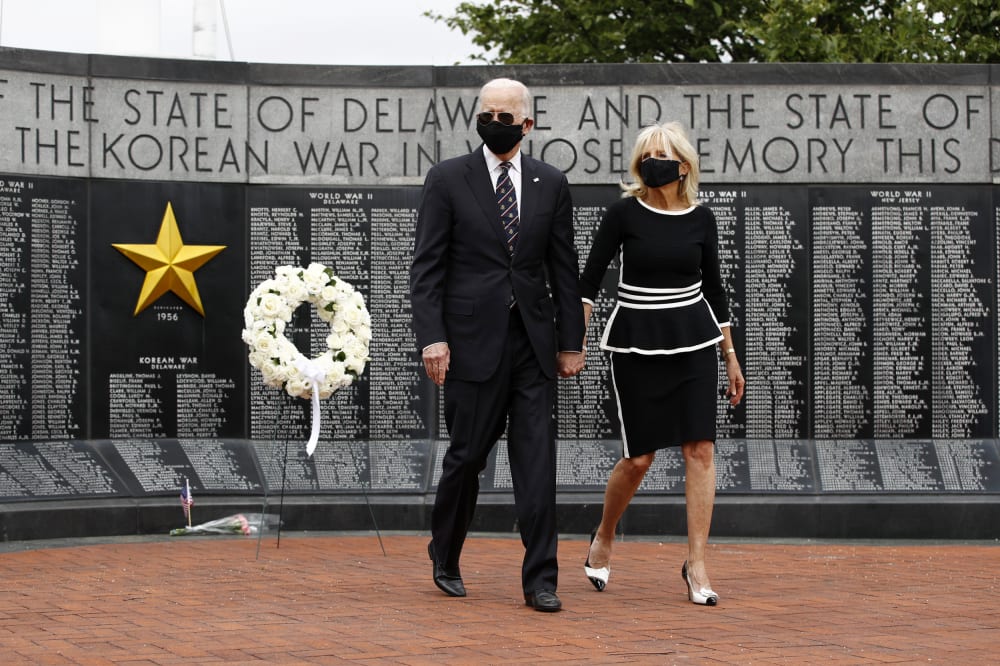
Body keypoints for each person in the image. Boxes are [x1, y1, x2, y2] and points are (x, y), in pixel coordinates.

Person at [409, 77, 586, 612]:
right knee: (466, 459)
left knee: (537, 464)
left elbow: (564, 268)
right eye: (487, 113)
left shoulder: (551, 182)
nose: (495, 123)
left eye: (506, 117)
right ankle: (445, 552)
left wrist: (571, 341)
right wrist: (433, 338)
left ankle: (541, 580)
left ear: (527, 124)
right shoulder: (447, 179)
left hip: (533, 345)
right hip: (469, 344)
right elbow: (427, 269)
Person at [578, 121, 745, 606]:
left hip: (695, 339)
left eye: (661, 154)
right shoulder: (622, 214)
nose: (652, 161)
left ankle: (696, 563)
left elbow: (715, 291)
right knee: (639, 459)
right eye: (645, 154)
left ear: (683, 165)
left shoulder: (702, 219)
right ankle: (605, 535)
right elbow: (588, 283)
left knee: (700, 451)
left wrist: (730, 355)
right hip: (636, 342)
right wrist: (576, 338)